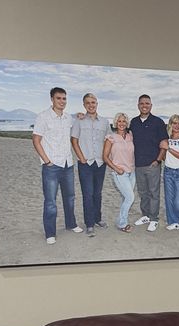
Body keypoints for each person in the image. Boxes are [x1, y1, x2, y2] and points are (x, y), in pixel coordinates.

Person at [32, 87, 84, 244]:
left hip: (68, 164)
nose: (62, 101)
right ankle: (50, 233)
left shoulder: (68, 118)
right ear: (52, 99)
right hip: (52, 166)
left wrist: (79, 115)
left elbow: (77, 120)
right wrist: (47, 161)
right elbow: (36, 140)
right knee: (50, 201)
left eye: (64, 99)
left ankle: (71, 224)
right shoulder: (43, 117)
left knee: (69, 198)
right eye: (59, 98)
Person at [71, 92, 108, 236]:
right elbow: (74, 140)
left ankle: (98, 219)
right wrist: (81, 158)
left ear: (97, 104)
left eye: (93, 102)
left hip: (100, 163)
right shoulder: (79, 120)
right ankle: (90, 224)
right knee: (88, 194)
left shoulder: (104, 122)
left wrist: (106, 157)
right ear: (84, 105)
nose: (91, 105)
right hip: (85, 163)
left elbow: (109, 140)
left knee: (97, 194)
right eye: (88, 103)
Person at [128, 93, 167, 231]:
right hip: (138, 164)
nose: (144, 105)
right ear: (138, 105)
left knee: (153, 192)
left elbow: (164, 143)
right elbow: (123, 136)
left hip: (153, 164)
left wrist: (158, 160)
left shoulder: (158, 122)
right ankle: (145, 215)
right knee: (142, 192)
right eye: (142, 103)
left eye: (147, 103)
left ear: (151, 105)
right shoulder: (133, 122)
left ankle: (154, 218)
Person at [103, 112, 137, 232]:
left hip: (132, 172)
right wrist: (116, 168)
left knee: (125, 198)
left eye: (124, 121)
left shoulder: (131, 136)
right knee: (130, 197)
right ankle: (122, 223)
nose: (122, 123)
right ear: (116, 123)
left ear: (127, 123)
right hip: (119, 173)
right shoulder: (111, 137)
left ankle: (123, 220)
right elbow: (105, 157)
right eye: (119, 121)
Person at [160, 114, 179, 230]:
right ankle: (174, 221)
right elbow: (163, 156)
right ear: (170, 124)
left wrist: (168, 148)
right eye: (174, 123)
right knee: (169, 199)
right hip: (168, 171)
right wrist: (167, 158)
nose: (177, 125)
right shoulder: (166, 138)